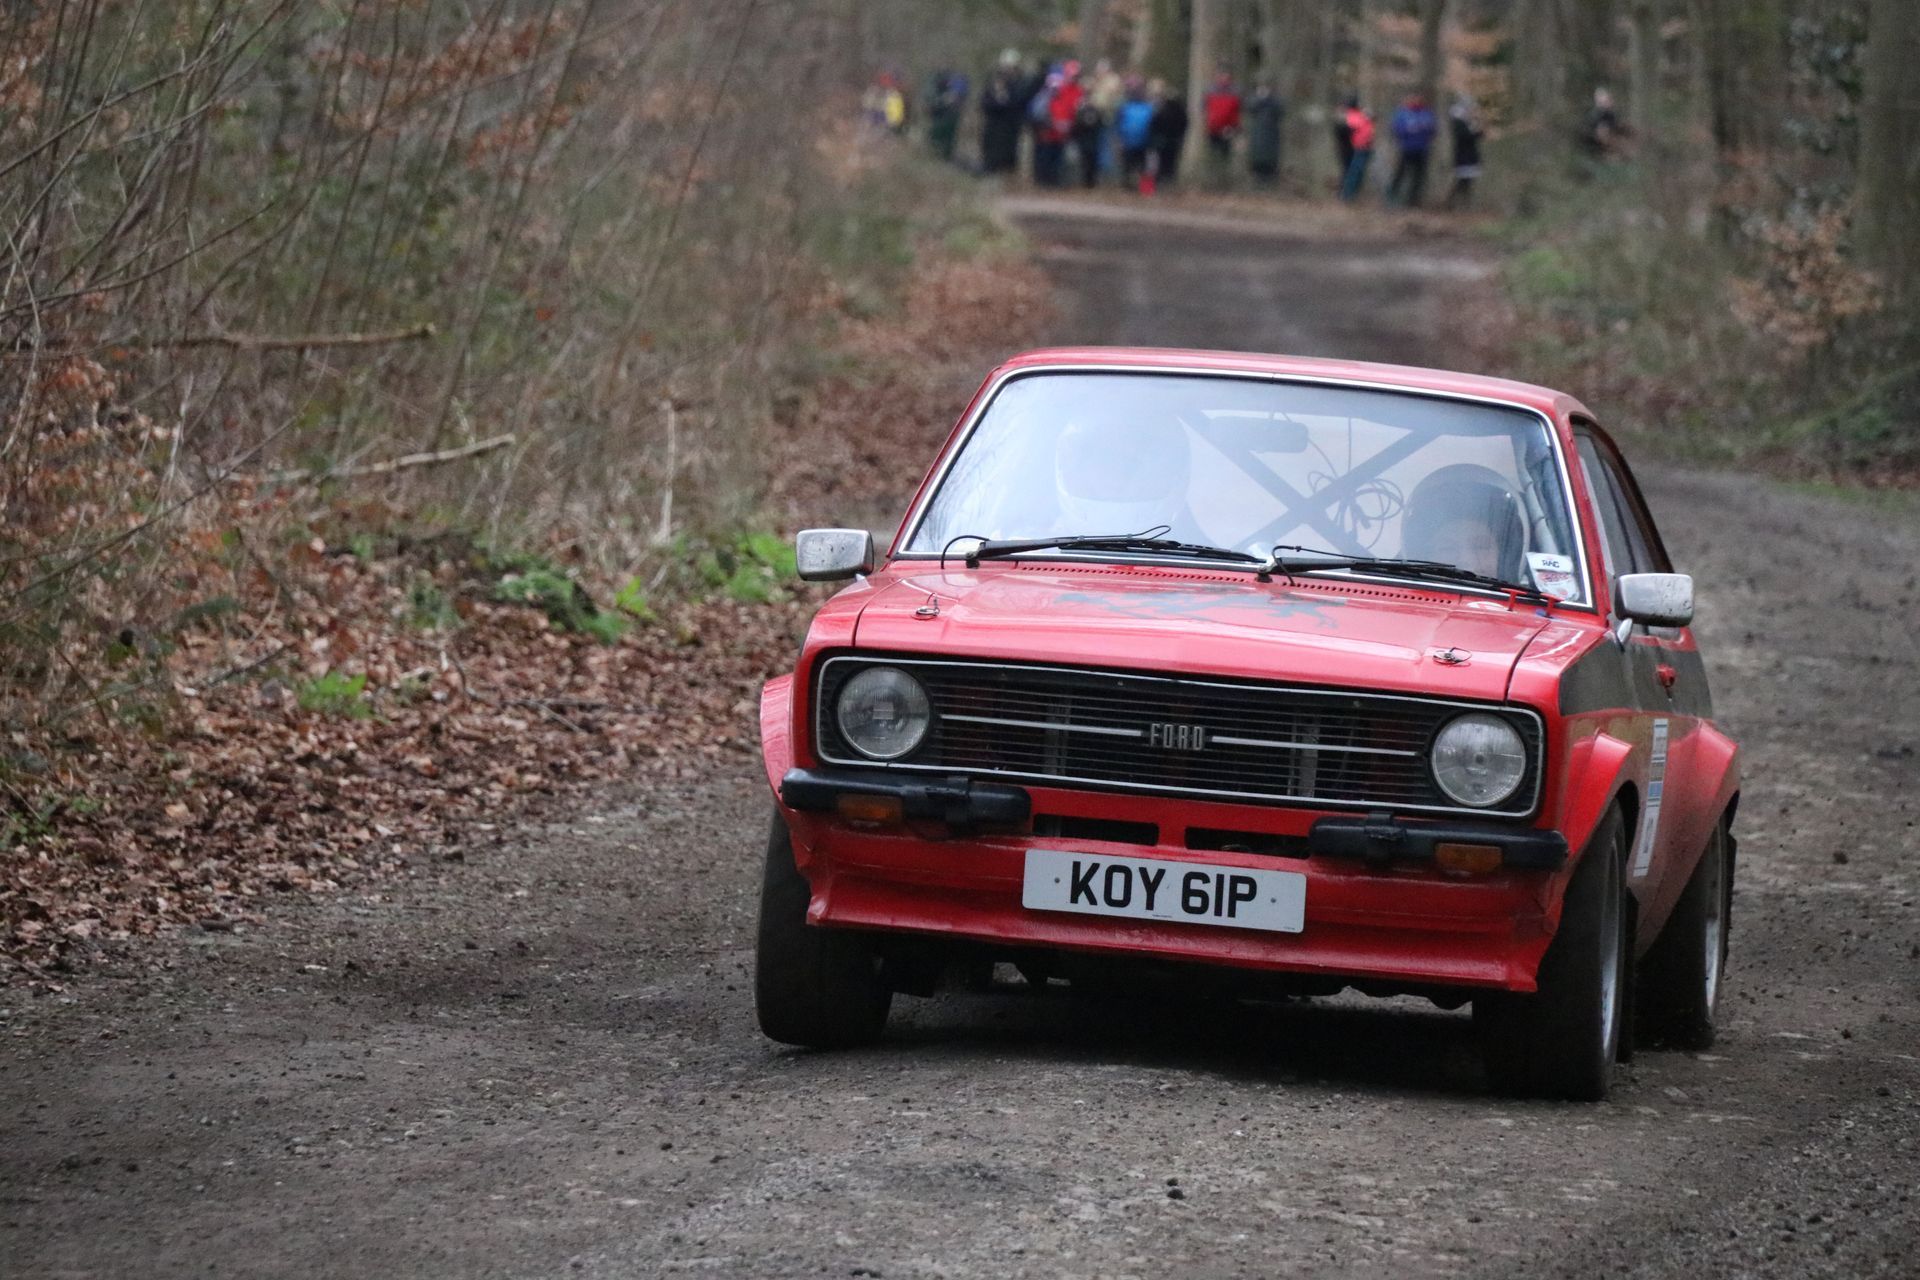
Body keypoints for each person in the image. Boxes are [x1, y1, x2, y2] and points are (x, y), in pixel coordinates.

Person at [1053, 414, 1193, 536]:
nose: (1115, 481)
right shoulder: (1037, 547)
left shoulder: (1204, 554)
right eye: (1104, 462)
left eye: (1131, 466)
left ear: (1173, 475)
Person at [1401, 465, 1527, 581]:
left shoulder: (1534, 604)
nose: (1466, 561)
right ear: (1425, 557)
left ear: (1506, 557)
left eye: (1481, 547)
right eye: (1447, 549)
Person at [979, 52, 1029, 175]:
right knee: (991, 150)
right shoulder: (992, 82)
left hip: (1010, 125)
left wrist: (1003, 98)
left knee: (1009, 152)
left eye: (1010, 66)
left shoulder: (1020, 83)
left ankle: (1008, 174)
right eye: (1005, 66)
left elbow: (1017, 102)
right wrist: (997, 100)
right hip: (993, 123)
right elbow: (985, 102)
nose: (1007, 69)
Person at [1385, 93, 1437, 207]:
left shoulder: (1427, 113)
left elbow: (1432, 129)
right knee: (1400, 173)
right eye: (1414, 100)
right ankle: (1391, 196)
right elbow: (1396, 129)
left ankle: (1413, 200)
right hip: (1406, 148)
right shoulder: (1402, 113)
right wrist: (1409, 131)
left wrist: (1422, 130)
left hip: (1422, 149)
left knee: (1418, 176)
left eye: (1418, 100)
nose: (1416, 102)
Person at [1115, 78, 1156, 191]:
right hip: (1137, 142)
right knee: (1135, 166)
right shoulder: (1146, 108)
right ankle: (1136, 188)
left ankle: (1134, 187)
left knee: (1134, 166)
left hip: (1135, 142)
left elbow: (1119, 124)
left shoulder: (1127, 107)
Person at [1029, 69, 1067, 187]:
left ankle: (1053, 181)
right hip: (1045, 134)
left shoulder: (1061, 99)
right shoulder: (1042, 98)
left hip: (1058, 136)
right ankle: (1042, 181)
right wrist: (1051, 124)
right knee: (1044, 158)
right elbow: (1037, 116)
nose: (1055, 90)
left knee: (1056, 160)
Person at [1446, 95, 1484, 208]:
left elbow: (1474, 135)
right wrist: (1476, 133)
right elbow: (1463, 136)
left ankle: (1462, 202)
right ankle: (1452, 202)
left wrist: (1479, 132)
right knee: (1462, 179)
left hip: (1470, 152)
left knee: (1467, 179)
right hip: (1463, 153)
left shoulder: (1468, 121)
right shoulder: (1458, 121)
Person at [1148, 82, 1189, 188]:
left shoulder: (1162, 110)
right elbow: (1184, 125)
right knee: (1170, 163)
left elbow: (1154, 124)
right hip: (1173, 141)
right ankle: (1167, 183)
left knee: (1162, 163)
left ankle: (1162, 183)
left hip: (1164, 141)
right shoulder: (1180, 112)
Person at [1203, 69, 1242, 177]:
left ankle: (1224, 176)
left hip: (1227, 128)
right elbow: (1205, 109)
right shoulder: (1210, 91)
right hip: (1213, 127)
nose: (1224, 78)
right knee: (1213, 153)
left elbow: (1236, 112)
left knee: (1226, 153)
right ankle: (1213, 176)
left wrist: (1235, 127)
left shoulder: (1235, 92)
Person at [1245, 83, 1284, 183]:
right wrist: (1261, 99)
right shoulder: (1253, 100)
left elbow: (1280, 111)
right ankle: (1258, 177)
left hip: (1271, 132)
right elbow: (1250, 108)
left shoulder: (1275, 101)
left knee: (1270, 157)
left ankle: (1270, 178)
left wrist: (1269, 99)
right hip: (1258, 132)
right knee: (1257, 157)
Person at [925, 70, 966, 164]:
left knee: (946, 139)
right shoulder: (937, 83)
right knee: (937, 136)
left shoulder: (957, 83)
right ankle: (938, 155)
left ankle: (944, 156)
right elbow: (932, 103)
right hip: (940, 114)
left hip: (949, 115)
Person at [1339, 97, 1374, 202]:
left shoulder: (1359, 115)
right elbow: (1355, 127)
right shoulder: (1352, 116)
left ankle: (1352, 194)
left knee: (1358, 172)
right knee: (1354, 172)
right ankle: (1347, 195)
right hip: (1359, 146)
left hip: (1366, 146)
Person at [1580, 86, 1624, 158]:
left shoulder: (1612, 115)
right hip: (1594, 148)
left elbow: (1616, 128)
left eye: (1607, 100)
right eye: (1603, 101)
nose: (1607, 103)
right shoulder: (1593, 115)